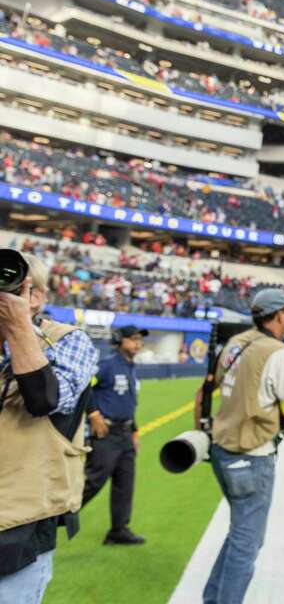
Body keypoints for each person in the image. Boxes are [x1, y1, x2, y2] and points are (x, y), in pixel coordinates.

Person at [0, 253, 98, 603]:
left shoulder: (69, 341)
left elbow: (43, 400)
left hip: (18, 529)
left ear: (36, 296)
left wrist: (17, 326)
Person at [199, 289, 284, 604]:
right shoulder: (280, 352)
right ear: (277, 315)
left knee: (241, 535)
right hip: (252, 455)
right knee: (246, 544)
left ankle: (212, 599)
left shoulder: (236, 341)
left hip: (222, 448)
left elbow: (211, 383)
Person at [81, 325, 147, 546]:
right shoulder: (107, 365)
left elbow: (127, 402)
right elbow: (84, 386)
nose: (138, 343)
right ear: (120, 339)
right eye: (133, 339)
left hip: (125, 433)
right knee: (92, 481)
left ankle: (118, 530)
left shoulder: (130, 366)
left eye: (140, 340)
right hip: (106, 433)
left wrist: (135, 430)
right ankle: (52, 518)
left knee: (125, 483)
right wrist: (93, 414)